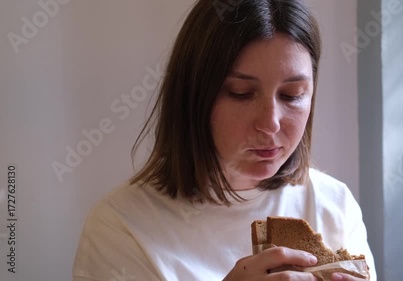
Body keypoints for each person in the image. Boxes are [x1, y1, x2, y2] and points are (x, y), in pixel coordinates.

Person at [72, 0, 377, 280]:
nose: (270, 124)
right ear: (193, 95)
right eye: (241, 94)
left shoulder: (333, 205)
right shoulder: (120, 227)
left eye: (292, 95)